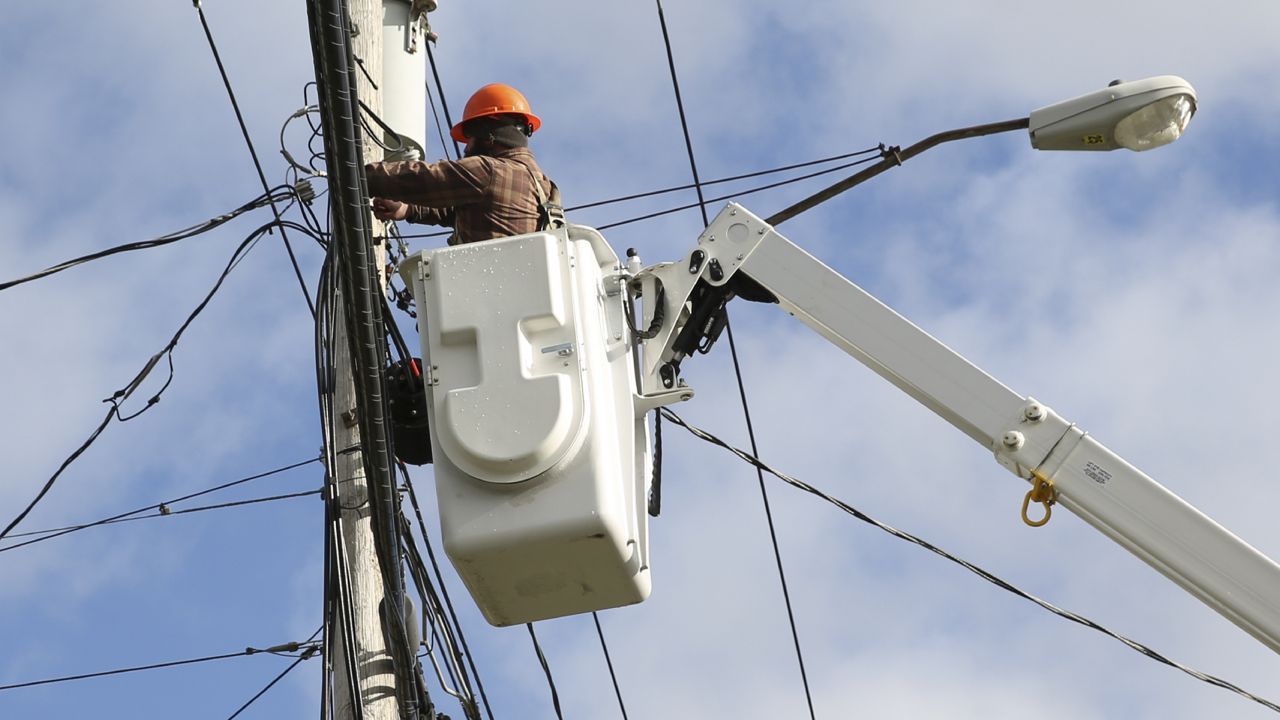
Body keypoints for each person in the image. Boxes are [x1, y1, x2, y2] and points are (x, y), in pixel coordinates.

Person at [364, 83, 560, 245]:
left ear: (487, 134)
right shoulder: (544, 187)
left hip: (486, 284)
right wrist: (407, 209)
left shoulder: (491, 171)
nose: (466, 150)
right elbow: (467, 211)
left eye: (469, 137)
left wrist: (361, 175)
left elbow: (426, 178)